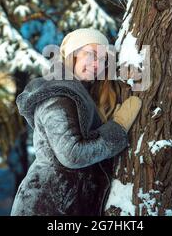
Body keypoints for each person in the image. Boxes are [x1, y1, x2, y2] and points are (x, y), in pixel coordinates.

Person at [10, 28, 142, 216]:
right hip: (44, 206)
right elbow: (72, 154)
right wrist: (118, 128)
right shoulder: (56, 95)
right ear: (73, 55)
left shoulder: (83, 93)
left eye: (104, 59)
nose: (98, 63)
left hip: (69, 206)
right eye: (91, 54)